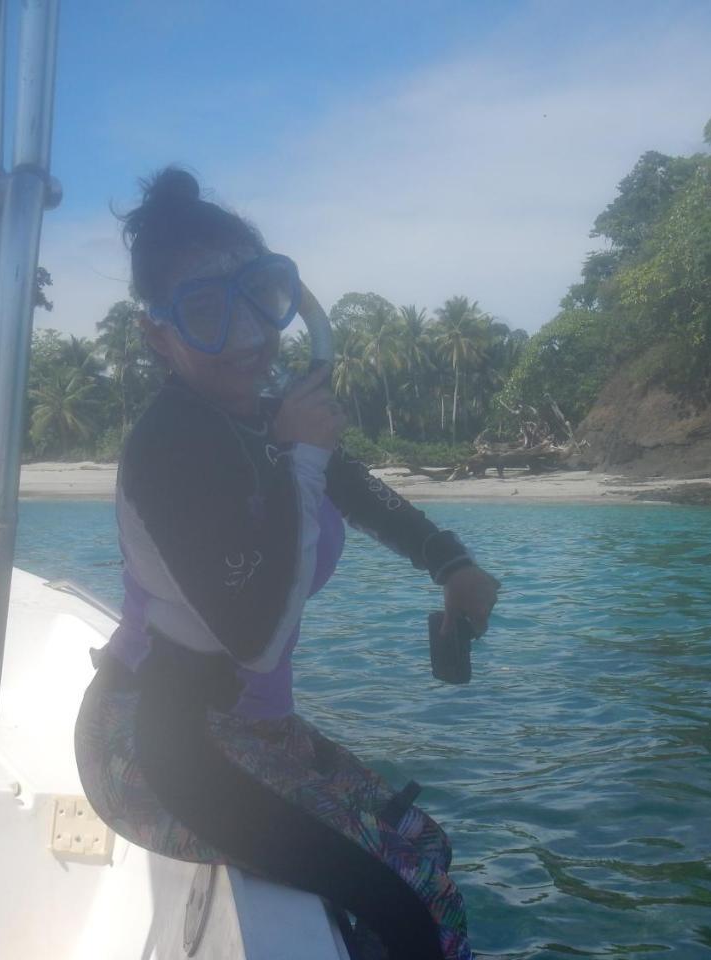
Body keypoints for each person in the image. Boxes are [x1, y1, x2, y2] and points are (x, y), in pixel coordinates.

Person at [74, 167, 500, 960]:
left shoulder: (264, 415)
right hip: (160, 743)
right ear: (156, 334)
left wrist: (451, 563)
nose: (246, 336)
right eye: (205, 311)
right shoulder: (170, 448)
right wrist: (302, 456)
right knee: (409, 908)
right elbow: (256, 641)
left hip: (247, 729)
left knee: (425, 847)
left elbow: (356, 487)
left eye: (261, 300)